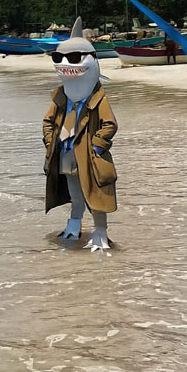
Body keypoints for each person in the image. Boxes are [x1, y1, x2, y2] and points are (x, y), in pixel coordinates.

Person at [43, 19, 118, 253]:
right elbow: (47, 121)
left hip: (88, 156)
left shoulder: (98, 99)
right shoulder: (61, 98)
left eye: (74, 58)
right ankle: (73, 225)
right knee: (75, 191)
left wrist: (95, 148)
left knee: (95, 194)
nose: (65, 64)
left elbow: (110, 124)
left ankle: (100, 232)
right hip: (65, 152)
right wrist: (50, 142)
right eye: (59, 58)